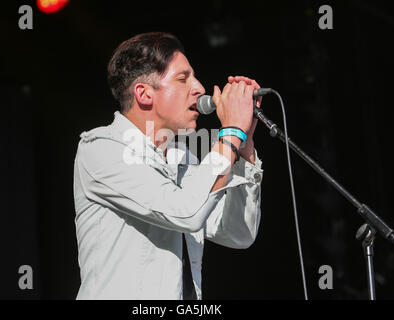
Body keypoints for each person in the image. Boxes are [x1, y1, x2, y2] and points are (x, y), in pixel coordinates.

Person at [73, 32, 264, 300]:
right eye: (183, 78)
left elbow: (237, 233)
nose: (199, 87)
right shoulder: (101, 149)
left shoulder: (182, 158)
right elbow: (186, 212)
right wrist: (231, 133)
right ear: (144, 94)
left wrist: (243, 150)